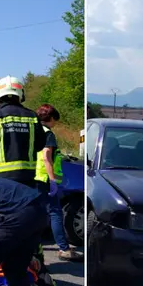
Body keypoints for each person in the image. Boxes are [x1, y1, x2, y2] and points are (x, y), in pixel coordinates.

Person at [0, 75, 47, 188]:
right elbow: (40, 144)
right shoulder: (32, 116)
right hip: (28, 179)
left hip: (1, 180)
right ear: (20, 94)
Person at [34, 104, 83, 262]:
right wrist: (53, 180)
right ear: (51, 118)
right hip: (45, 179)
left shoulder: (33, 131)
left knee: (35, 213)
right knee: (55, 213)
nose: (55, 123)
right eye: (55, 120)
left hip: (32, 177)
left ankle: (32, 247)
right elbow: (46, 156)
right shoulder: (48, 134)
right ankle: (64, 249)